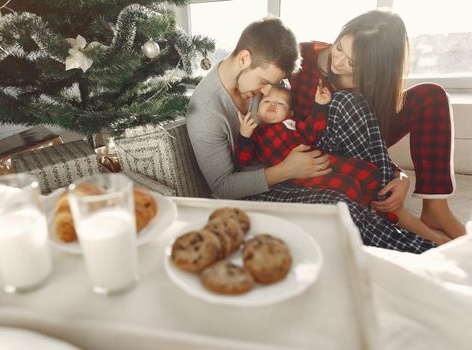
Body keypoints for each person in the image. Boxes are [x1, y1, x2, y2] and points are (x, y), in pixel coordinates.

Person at [186, 16, 436, 253]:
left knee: (348, 101)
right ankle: (427, 254)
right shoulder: (206, 112)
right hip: (263, 187)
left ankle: (385, 199)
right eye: (263, 82)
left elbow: (305, 128)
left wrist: (397, 173)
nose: (267, 91)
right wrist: (287, 170)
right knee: (340, 207)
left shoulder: (266, 81)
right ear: (243, 58)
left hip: (296, 154)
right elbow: (222, 187)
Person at [289, 9, 465, 240]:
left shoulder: (374, 78)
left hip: (366, 141)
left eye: (352, 62)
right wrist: (392, 173)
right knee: (347, 101)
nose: (338, 61)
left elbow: (367, 132)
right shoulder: (300, 60)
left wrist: (399, 176)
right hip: (323, 144)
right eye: (339, 47)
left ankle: (436, 209)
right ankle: (400, 214)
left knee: (431, 95)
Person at [235, 83, 445, 244]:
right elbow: (243, 160)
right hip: (303, 176)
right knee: (346, 186)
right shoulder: (257, 133)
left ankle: (377, 203)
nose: (272, 105)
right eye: (266, 102)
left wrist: (320, 105)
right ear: (257, 109)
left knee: (367, 172)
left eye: (279, 104)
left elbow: (313, 130)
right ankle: (367, 210)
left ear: (289, 113)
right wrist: (244, 135)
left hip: (321, 158)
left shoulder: (292, 125)